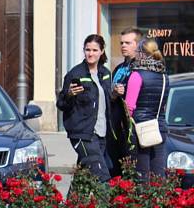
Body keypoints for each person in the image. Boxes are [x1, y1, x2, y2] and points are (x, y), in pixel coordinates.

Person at [57, 34, 112, 183]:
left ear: (102, 51)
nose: (91, 53)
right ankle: (110, 206)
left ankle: (72, 205)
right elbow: (61, 104)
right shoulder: (75, 74)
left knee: (83, 178)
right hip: (83, 134)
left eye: (94, 50)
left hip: (101, 132)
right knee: (101, 174)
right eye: (87, 50)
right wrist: (69, 95)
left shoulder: (105, 74)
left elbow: (107, 102)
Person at [125, 38, 169, 180]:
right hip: (159, 128)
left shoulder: (136, 75)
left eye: (137, 51)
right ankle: (160, 201)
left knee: (141, 174)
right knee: (158, 174)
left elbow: (129, 107)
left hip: (141, 129)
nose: (135, 54)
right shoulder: (164, 76)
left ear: (143, 54)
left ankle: (142, 201)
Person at [109, 27, 143, 176]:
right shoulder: (118, 69)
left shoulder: (141, 69)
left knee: (131, 170)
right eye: (122, 42)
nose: (123, 46)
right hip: (117, 127)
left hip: (133, 128)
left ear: (138, 44)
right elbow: (110, 96)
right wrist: (114, 93)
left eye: (128, 43)